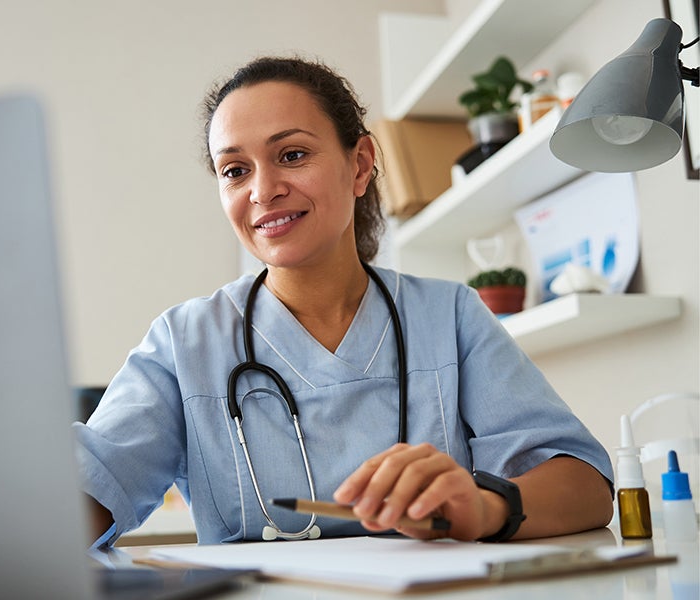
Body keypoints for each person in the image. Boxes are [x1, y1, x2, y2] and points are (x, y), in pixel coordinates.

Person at [74, 56, 614, 548]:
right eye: (234, 170)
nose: (262, 190)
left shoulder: (449, 316)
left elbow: (585, 486)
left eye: (292, 154)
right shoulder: (184, 342)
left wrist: (484, 506)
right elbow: (86, 495)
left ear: (359, 166)